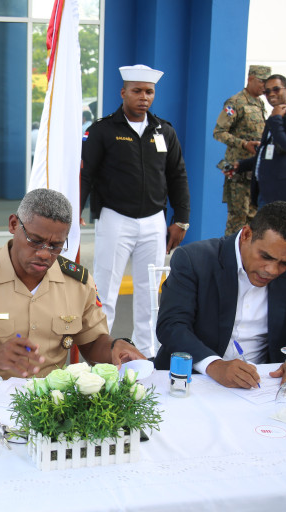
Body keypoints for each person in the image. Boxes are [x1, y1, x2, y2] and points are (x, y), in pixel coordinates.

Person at [0, 188, 145, 381]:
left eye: (56, 245)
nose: (44, 253)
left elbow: (92, 343)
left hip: (50, 403)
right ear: (13, 224)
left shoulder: (78, 283)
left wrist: (114, 348)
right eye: (35, 240)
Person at [153, 201, 286, 389]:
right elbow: (172, 325)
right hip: (191, 380)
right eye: (266, 256)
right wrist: (214, 365)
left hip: (262, 386)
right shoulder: (195, 259)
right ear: (246, 235)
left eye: (285, 263)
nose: (272, 270)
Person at [80, 64, 190, 358]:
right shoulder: (102, 130)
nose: (144, 97)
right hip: (115, 219)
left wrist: (181, 220)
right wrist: (75, 212)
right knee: (105, 290)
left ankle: (147, 353)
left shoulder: (164, 130)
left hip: (154, 221)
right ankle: (101, 353)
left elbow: (177, 175)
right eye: (137, 91)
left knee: (149, 292)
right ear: (123, 93)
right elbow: (86, 174)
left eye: (149, 92)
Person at [235, 74, 286, 208]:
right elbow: (267, 153)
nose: (271, 94)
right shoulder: (274, 115)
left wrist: (276, 119)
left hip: (284, 192)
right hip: (265, 191)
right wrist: (240, 165)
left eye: (276, 89)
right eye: (267, 91)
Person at [213, 65, 271, 235]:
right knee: (237, 220)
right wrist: (244, 144)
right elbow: (219, 132)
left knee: (253, 219)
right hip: (237, 172)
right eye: (262, 82)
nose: (265, 87)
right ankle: (229, 250)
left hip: (254, 171)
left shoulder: (260, 103)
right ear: (250, 79)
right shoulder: (235, 102)